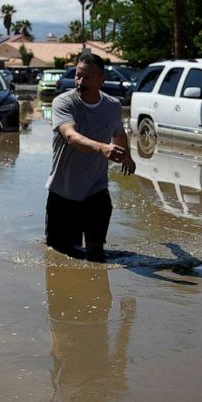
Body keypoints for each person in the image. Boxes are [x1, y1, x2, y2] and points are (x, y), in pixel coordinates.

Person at [45, 53, 135, 261]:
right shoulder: (63, 103)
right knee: (61, 255)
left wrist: (127, 157)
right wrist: (103, 148)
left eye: (87, 77)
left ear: (101, 80)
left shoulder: (112, 106)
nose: (80, 82)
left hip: (96, 188)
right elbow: (70, 136)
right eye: (78, 76)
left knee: (96, 254)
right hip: (63, 192)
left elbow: (118, 134)